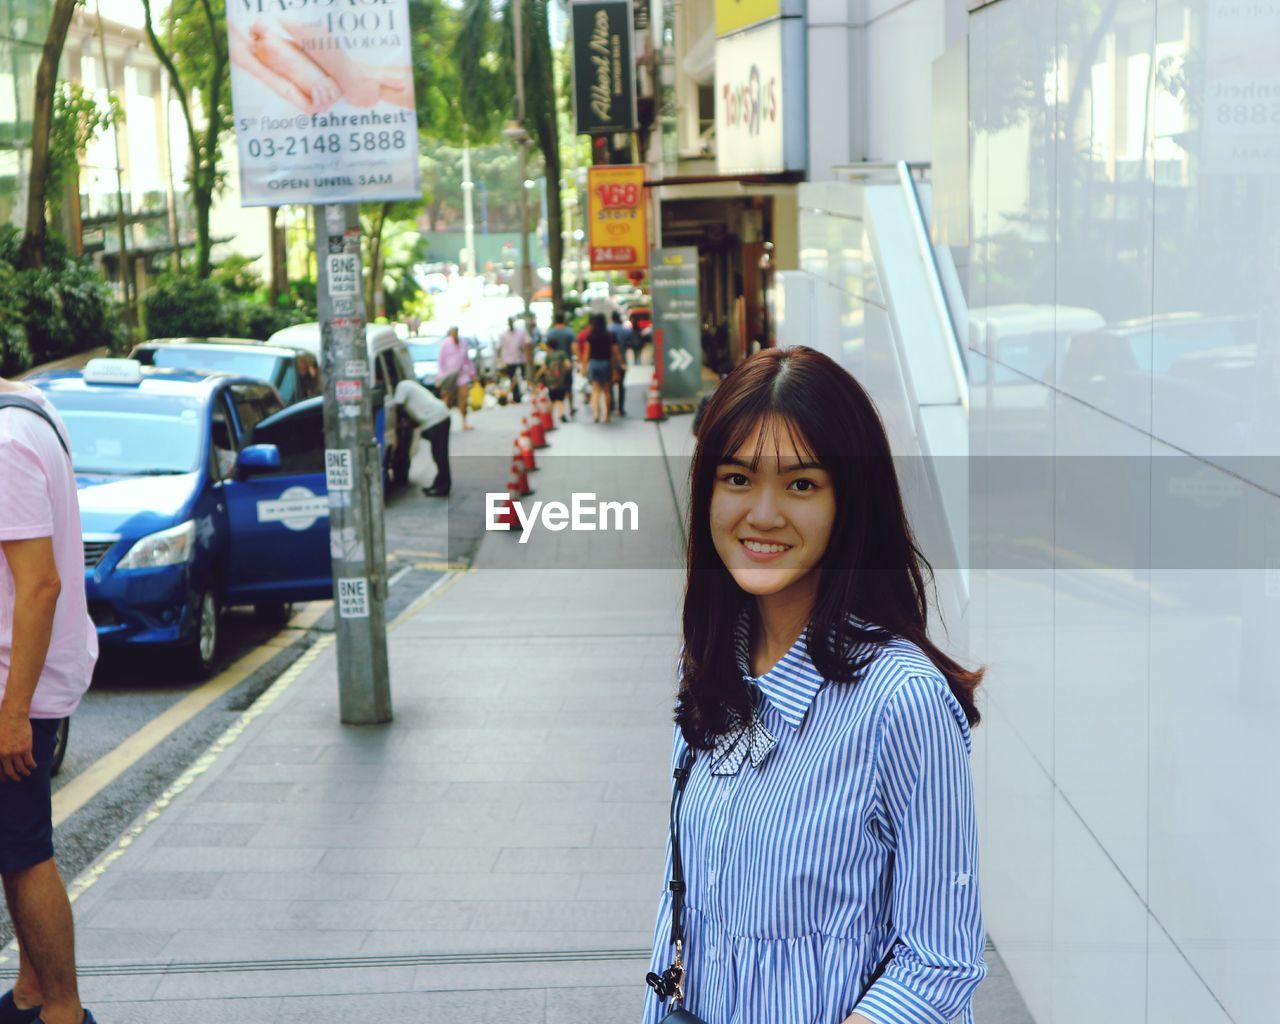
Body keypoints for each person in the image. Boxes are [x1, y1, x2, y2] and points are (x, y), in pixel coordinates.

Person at [641, 347, 986, 1024]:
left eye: (801, 485)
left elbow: (940, 964)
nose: (762, 514)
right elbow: (683, 915)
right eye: (737, 478)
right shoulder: (718, 672)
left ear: (850, 504)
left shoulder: (901, 702)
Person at [0, 377, 99, 1024]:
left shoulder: (3, 443)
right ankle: (31, 992)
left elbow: (40, 586)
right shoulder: (31, 406)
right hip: (34, 678)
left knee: (25, 850)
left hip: (16, 687)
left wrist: (12, 714)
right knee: (14, 845)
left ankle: (62, 1010)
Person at [393, 377, 452, 497]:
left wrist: (399, 424)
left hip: (436, 418)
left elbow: (398, 407)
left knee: (440, 455)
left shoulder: (402, 386)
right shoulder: (409, 385)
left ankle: (443, 487)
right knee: (438, 454)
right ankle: (439, 483)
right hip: (439, 416)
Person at [436, 327, 476, 432]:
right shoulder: (445, 344)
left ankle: (464, 422)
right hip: (449, 375)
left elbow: (467, 359)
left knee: (464, 398)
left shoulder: (463, 342)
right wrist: (441, 377)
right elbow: (441, 362)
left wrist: (472, 372)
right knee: (447, 400)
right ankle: (443, 423)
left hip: (462, 374)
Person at [544, 312, 578, 417]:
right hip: (565, 364)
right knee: (568, 386)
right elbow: (574, 348)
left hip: (553, 367)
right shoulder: (569, 332)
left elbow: (547, 349)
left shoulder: (550, 333)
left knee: (554, 388)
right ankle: (571, 407)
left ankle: (552, 413)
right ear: (564, 320)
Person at [584, 313, 615, 424]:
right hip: (606, 363)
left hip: (594, 363)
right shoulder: (609, 335)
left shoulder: (590, 336)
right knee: (607, 390)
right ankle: (606, 416)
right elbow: (612, 352)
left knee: (595, 390)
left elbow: (587, 353)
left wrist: (584, 367)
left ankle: (596, 414)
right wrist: (614, 366)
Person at [496, 317, 531, 403]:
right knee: (512, 378)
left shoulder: (521, 332)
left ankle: (524, 393)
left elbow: (528, 343)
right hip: (509, 360)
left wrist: (528, 355)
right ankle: (515, 396)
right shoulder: (503, 335)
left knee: (523, 377)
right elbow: (498, 348)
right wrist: (499, 360)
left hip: (520, 358)